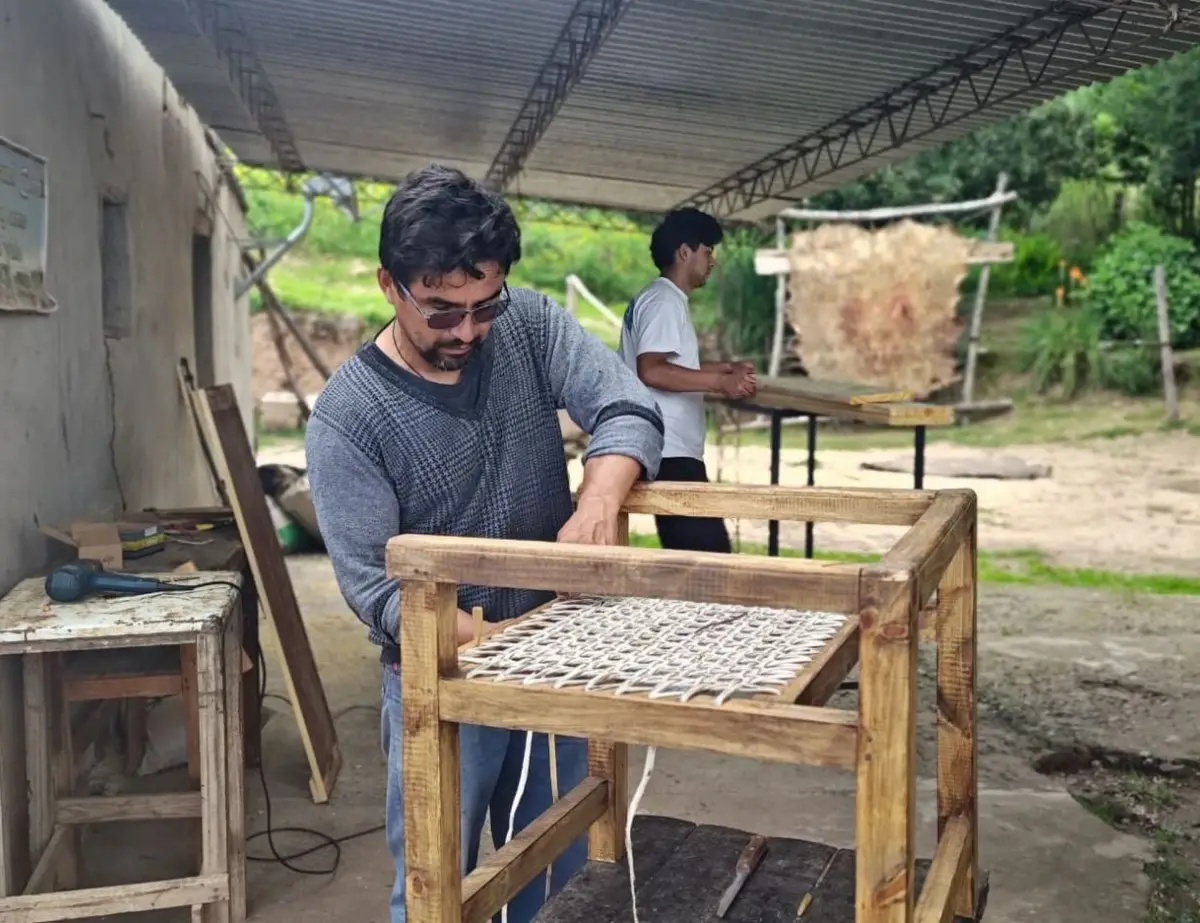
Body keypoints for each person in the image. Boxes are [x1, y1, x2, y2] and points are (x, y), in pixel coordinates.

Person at [304, 164, 665, 923]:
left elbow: (627, 403)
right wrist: (499, 641)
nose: (467, 331)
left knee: (567, 876)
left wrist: (598, 501)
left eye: (482, 305)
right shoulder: (350, 416)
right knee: (439, 888)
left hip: (558, 663)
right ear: (389, 285)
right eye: (441, 310)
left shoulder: (528, 326)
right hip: (442, 682)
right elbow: (378, 592)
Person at [618, 207, 756, 553]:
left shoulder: (661, 298)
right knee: (707, 564)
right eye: (707, 251)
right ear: (685, 252)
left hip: (671, 452)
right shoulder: (664, 300)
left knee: (694, 559)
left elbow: (675, 363)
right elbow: (651, 369)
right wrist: (718, 383)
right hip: (670, 453)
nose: (712, 261)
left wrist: (723, 369)